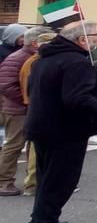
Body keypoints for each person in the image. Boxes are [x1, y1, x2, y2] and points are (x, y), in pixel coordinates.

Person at [23, 21, 97, 223]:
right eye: (95, 34)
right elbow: (77, 98)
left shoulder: (43, 59)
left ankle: (38, 222)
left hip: (43, 125)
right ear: (82, 39)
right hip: (65, 129)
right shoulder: (76, 62)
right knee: (60, 180)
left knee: (46, 178)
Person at [0, 26, 39, 196]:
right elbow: (6, 85)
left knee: (32, 146)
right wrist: (27, 100)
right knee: (14, 145)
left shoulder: (30, 57)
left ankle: (31, 181)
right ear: (35, 43)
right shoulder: (16, 58)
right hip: (17, 110)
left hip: (27, 109)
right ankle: (4, 182)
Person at [17, 29, 55, 195]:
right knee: (35, 150)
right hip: (38, 110)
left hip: (37, 109)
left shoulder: (37, 61)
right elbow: (31, 88)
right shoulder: (35, 62)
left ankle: (36, 182)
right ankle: (32, 184)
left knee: (37, 148)